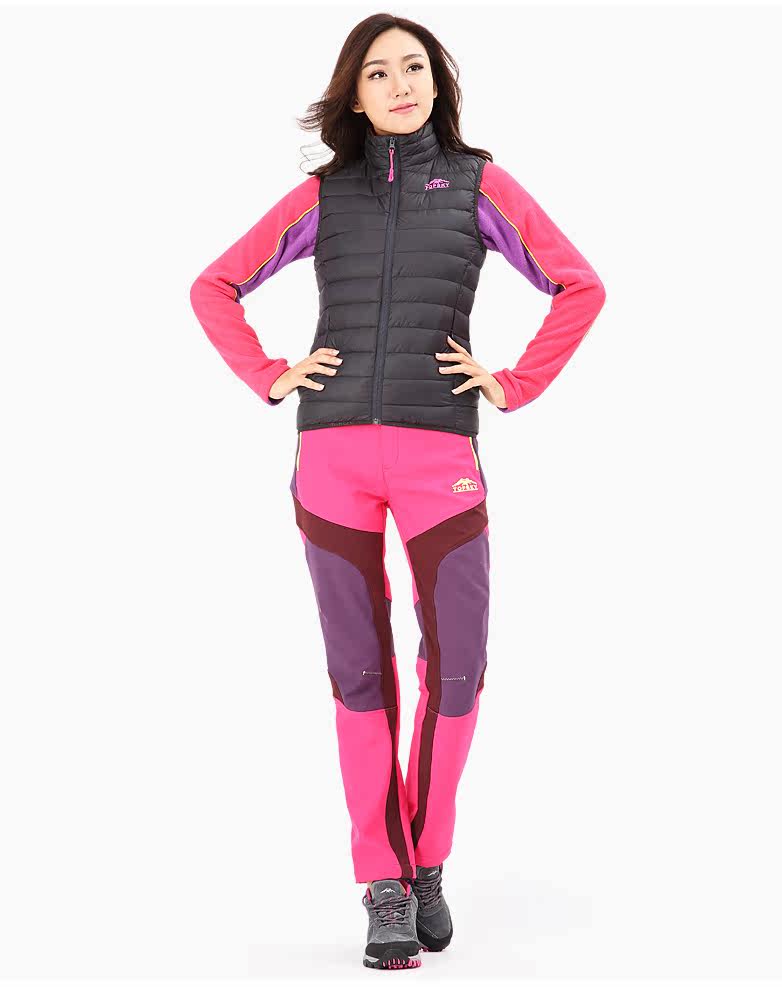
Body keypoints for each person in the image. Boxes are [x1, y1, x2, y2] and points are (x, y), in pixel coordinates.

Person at [189, 13, 606, 972]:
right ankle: (382, 881)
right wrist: (271, 373)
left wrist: (513, 382)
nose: (400, 84)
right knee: (359, 674)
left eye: (414, 67)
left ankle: (428, 860)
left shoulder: (479, 184)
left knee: (458, 669)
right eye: (378, 73)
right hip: (331, 456)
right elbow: (215, 285)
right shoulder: (323, 195)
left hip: (439, 454)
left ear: (438, 82)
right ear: (356, 93)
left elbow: (578, 284)